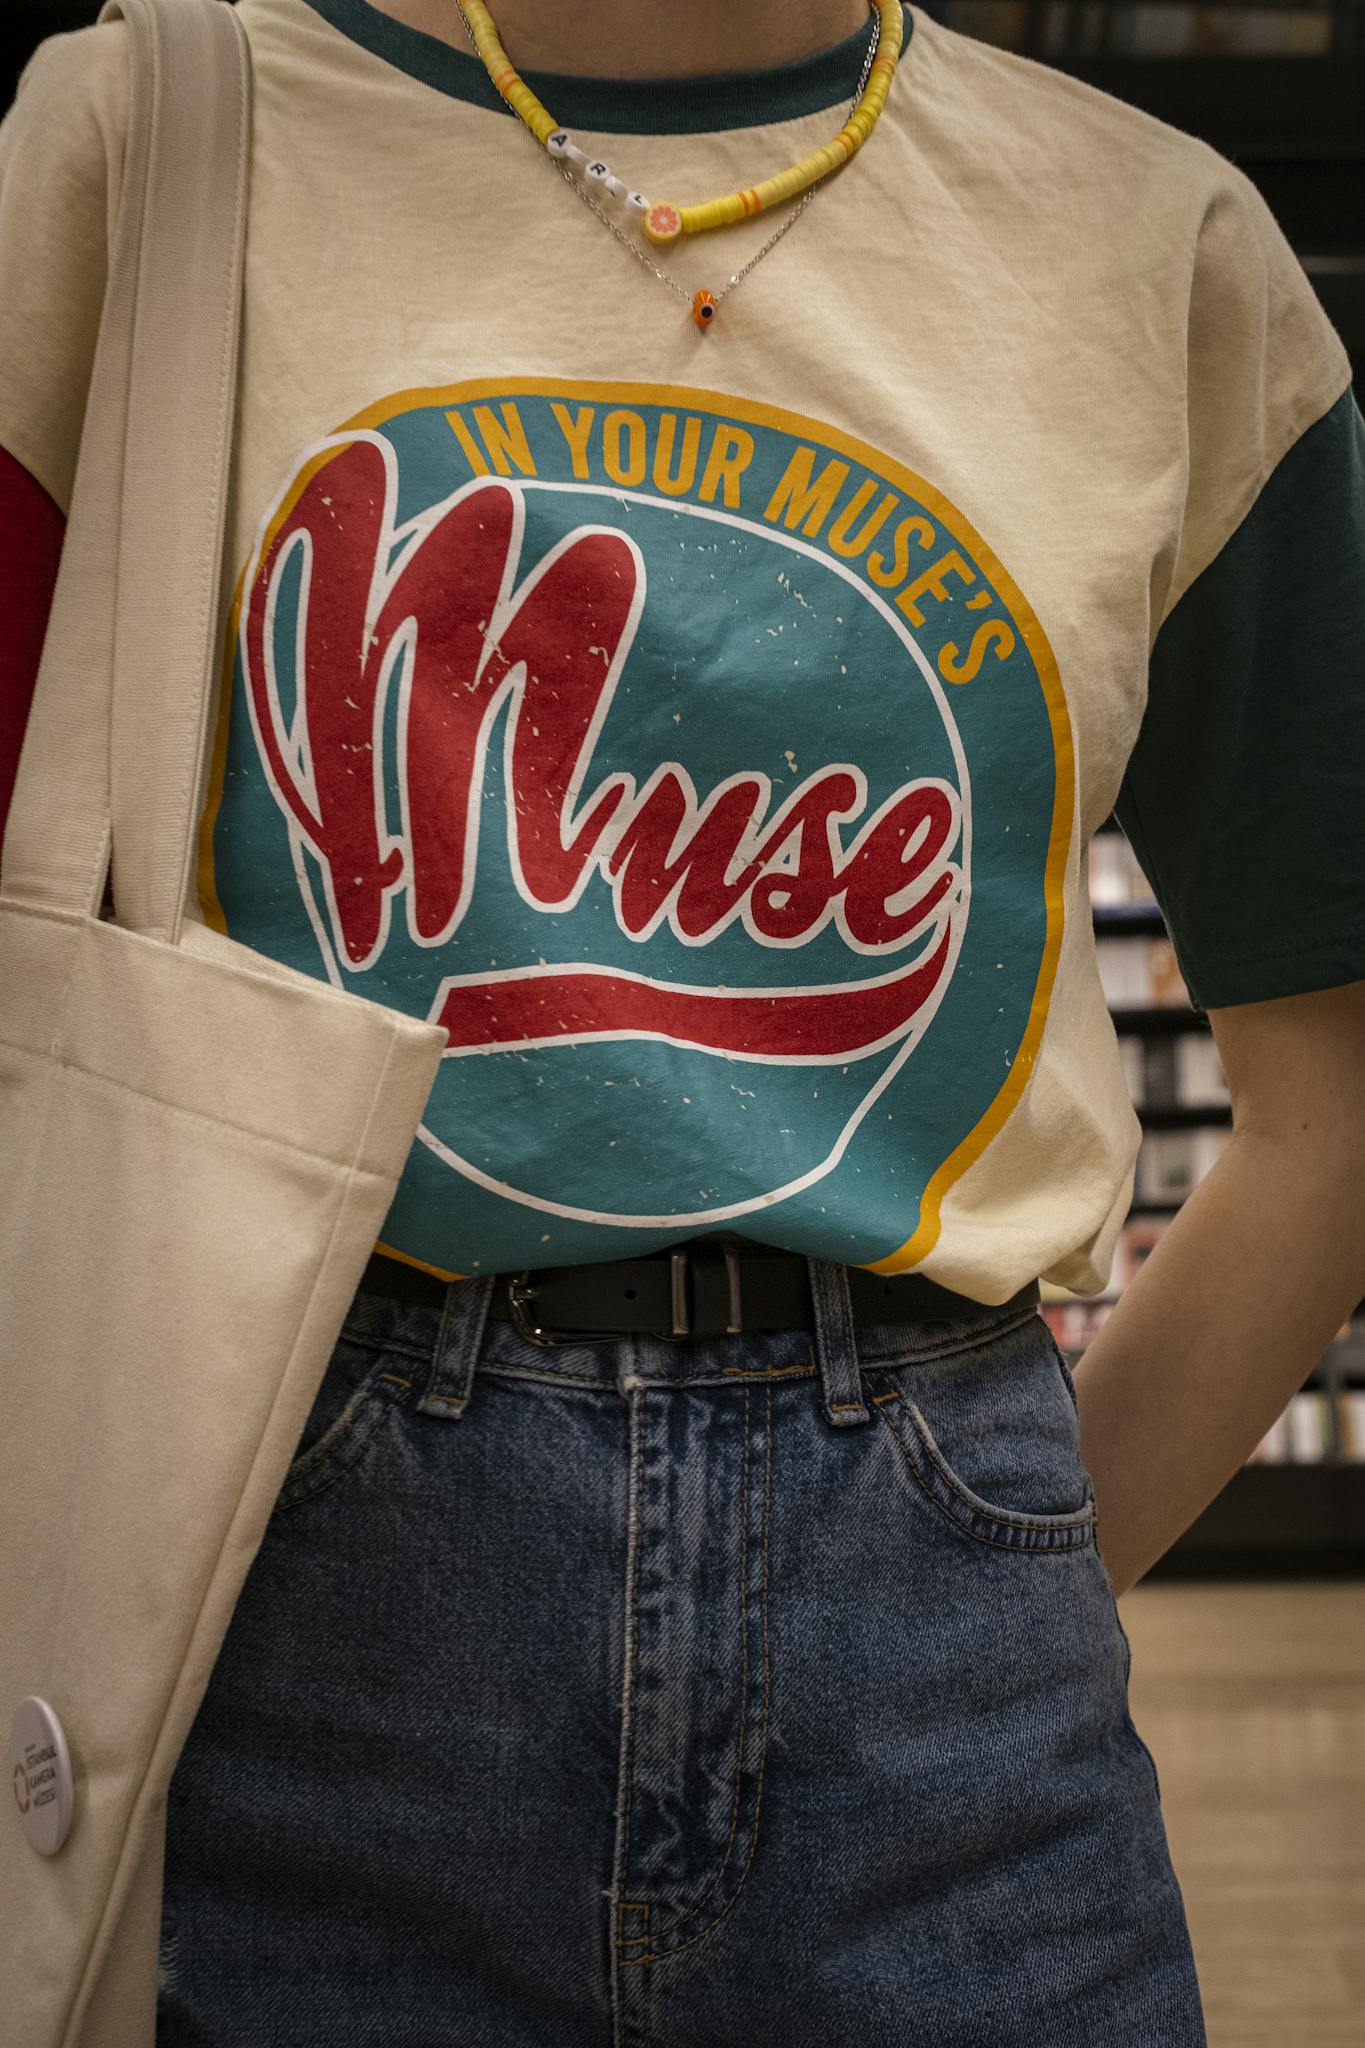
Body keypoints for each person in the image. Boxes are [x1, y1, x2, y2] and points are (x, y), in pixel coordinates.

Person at [1, 0, 1362, 2040]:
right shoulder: (149, 139)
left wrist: (1002, 1567)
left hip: (945, 1635)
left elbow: (1334, 1089)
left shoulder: (1153, 246)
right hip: (291, 1599)